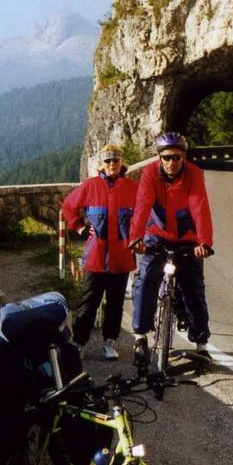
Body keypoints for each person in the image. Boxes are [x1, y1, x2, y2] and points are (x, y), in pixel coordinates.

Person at [128, 131, 214, 365]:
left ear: (184, 157)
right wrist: (136, 239)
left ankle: (201, 346)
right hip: (157, 237)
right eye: (166, 157)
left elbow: (199, 206)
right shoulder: (150, 174)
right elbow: (143, 204)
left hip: (188, 239)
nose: (171, 162)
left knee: (194, 290)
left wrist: (204, 242)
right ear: (159, 157)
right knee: (145, 283)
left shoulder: (193, 174)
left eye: (176, 157)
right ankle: (140, 337)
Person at [60, 143, 138, 360]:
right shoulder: (90, 185)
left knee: (115, 303)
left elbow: (144, 213)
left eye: (116, 160)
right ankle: (78, 342)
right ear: (101, 165)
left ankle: (110, 342)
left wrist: (140, 237)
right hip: (96, 256)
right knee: (88, 302)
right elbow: (68, 206)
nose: (112, 164)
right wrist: (79, 226)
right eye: (108, 160)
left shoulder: (132, 187)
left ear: (122, 162)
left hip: (121, 256)